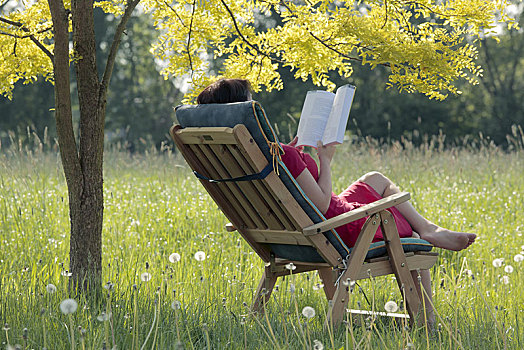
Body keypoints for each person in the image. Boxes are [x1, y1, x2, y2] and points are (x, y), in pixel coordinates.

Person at [196, 78, 477, 324]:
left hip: (288, 235)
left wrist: (293, 157)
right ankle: (426, 317)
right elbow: (319, 206)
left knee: (374, 178)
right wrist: (324, 161)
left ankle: (427, 227)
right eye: (250, 102)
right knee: (413, 241)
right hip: (338, 230)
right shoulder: (281, 156)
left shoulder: (242, 158)